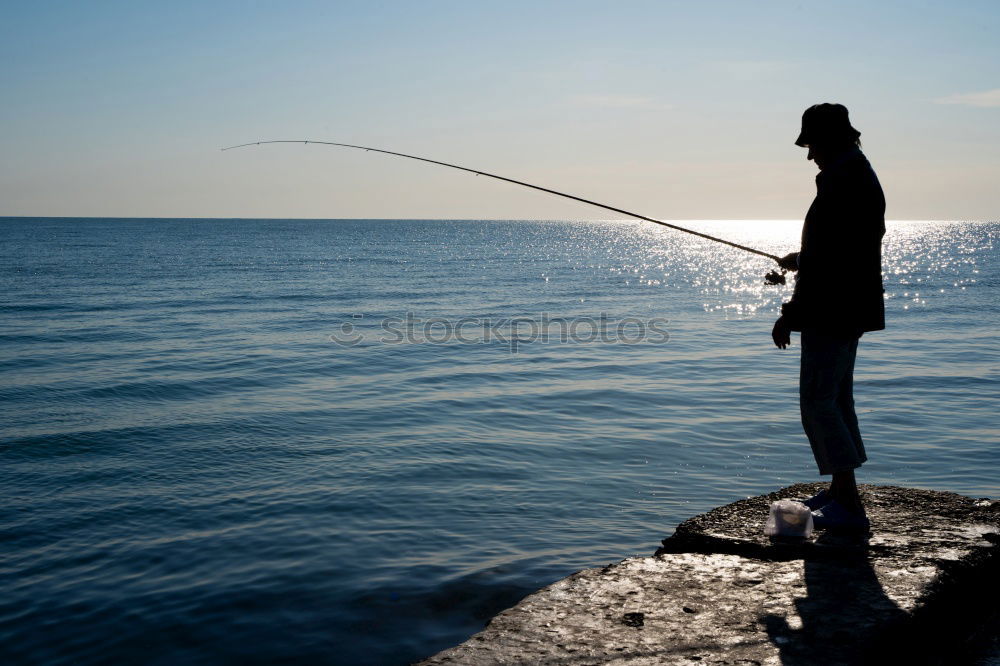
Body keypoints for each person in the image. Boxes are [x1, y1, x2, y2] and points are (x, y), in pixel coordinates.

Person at [771, 103, 886, 531]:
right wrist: (802, 257)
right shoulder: (856, 174)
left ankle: (849, 505)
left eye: (812, 143)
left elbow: (832, 262)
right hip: (847, 305)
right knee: (836, 399)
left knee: (819, 401)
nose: (809, 154)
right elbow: (839, 250)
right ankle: (841, 491)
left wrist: (790, 314)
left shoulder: (843, 180)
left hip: (832, 309)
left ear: (832, 140)